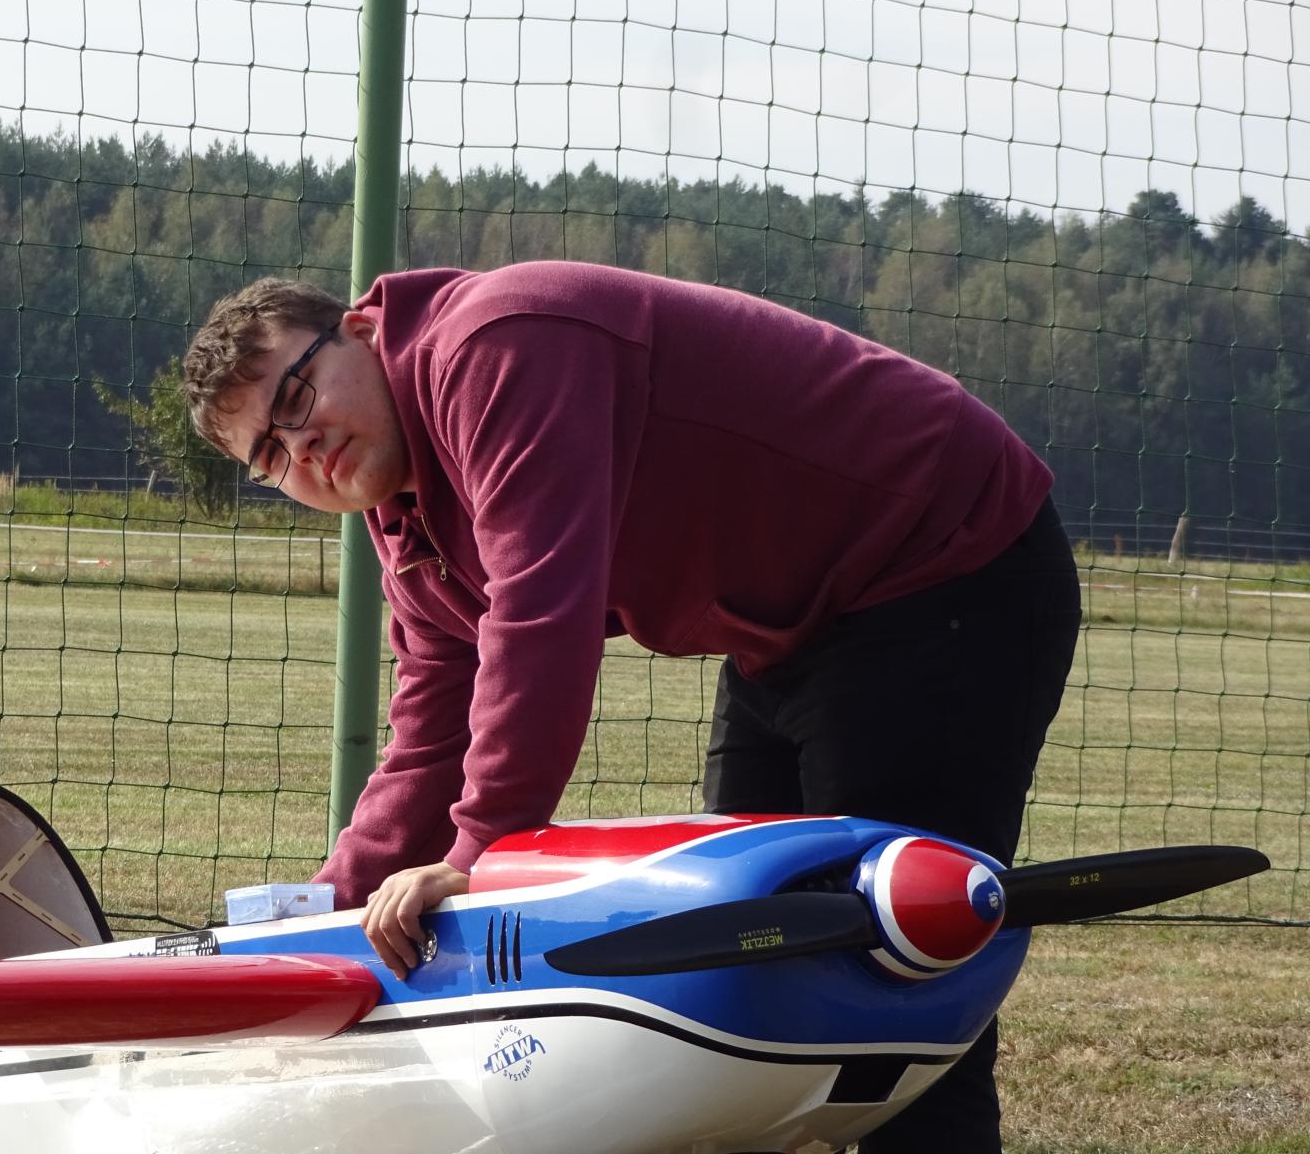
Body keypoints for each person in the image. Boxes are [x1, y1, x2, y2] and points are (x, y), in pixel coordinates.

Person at [182, 261, 1081, 1153]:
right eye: (269, 455)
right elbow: (430, 732)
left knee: (895, 966)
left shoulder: (495, 347)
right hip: (790, 627)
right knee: (745, 961)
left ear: (363, 330)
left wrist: (477, 856)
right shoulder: (407, 518)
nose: (301, 446)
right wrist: (324, 921)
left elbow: (541, 615)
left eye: (295, 396)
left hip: (941, 556)